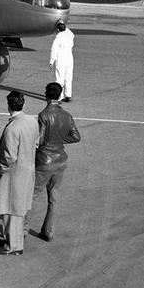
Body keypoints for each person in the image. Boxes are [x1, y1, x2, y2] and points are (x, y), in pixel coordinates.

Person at [31, 82, 81, 242]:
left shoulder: (43, 115)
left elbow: (39, 140)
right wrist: (59, 139)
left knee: (32, 196)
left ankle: (20, 231)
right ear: (59, 96)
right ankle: (48, 231)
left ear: (46, 95)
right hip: (60, 161)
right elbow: (76, 137)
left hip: (44, 162)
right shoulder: (67, 115)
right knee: (53, 199)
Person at [0, 90, 39, 255]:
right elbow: (36, 143)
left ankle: (14, 246)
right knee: (18, 210)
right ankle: (11, 239)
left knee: (10, 210)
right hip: (27, 171)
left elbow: (9, 157)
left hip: (13, 174)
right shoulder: (32, 121)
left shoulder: (12, 129)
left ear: (8, 106)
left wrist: (1, 171)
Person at [49, 21, 75, 101]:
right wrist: (61, 21)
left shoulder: (58, 37)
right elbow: (68, 30)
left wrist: (51, 61)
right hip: (69, 58)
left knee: (59, 78)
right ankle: (68, 94)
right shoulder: (70, 35)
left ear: (58, 29)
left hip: (61, 59)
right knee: (68, 77)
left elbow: (54, 50)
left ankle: (59, 96)